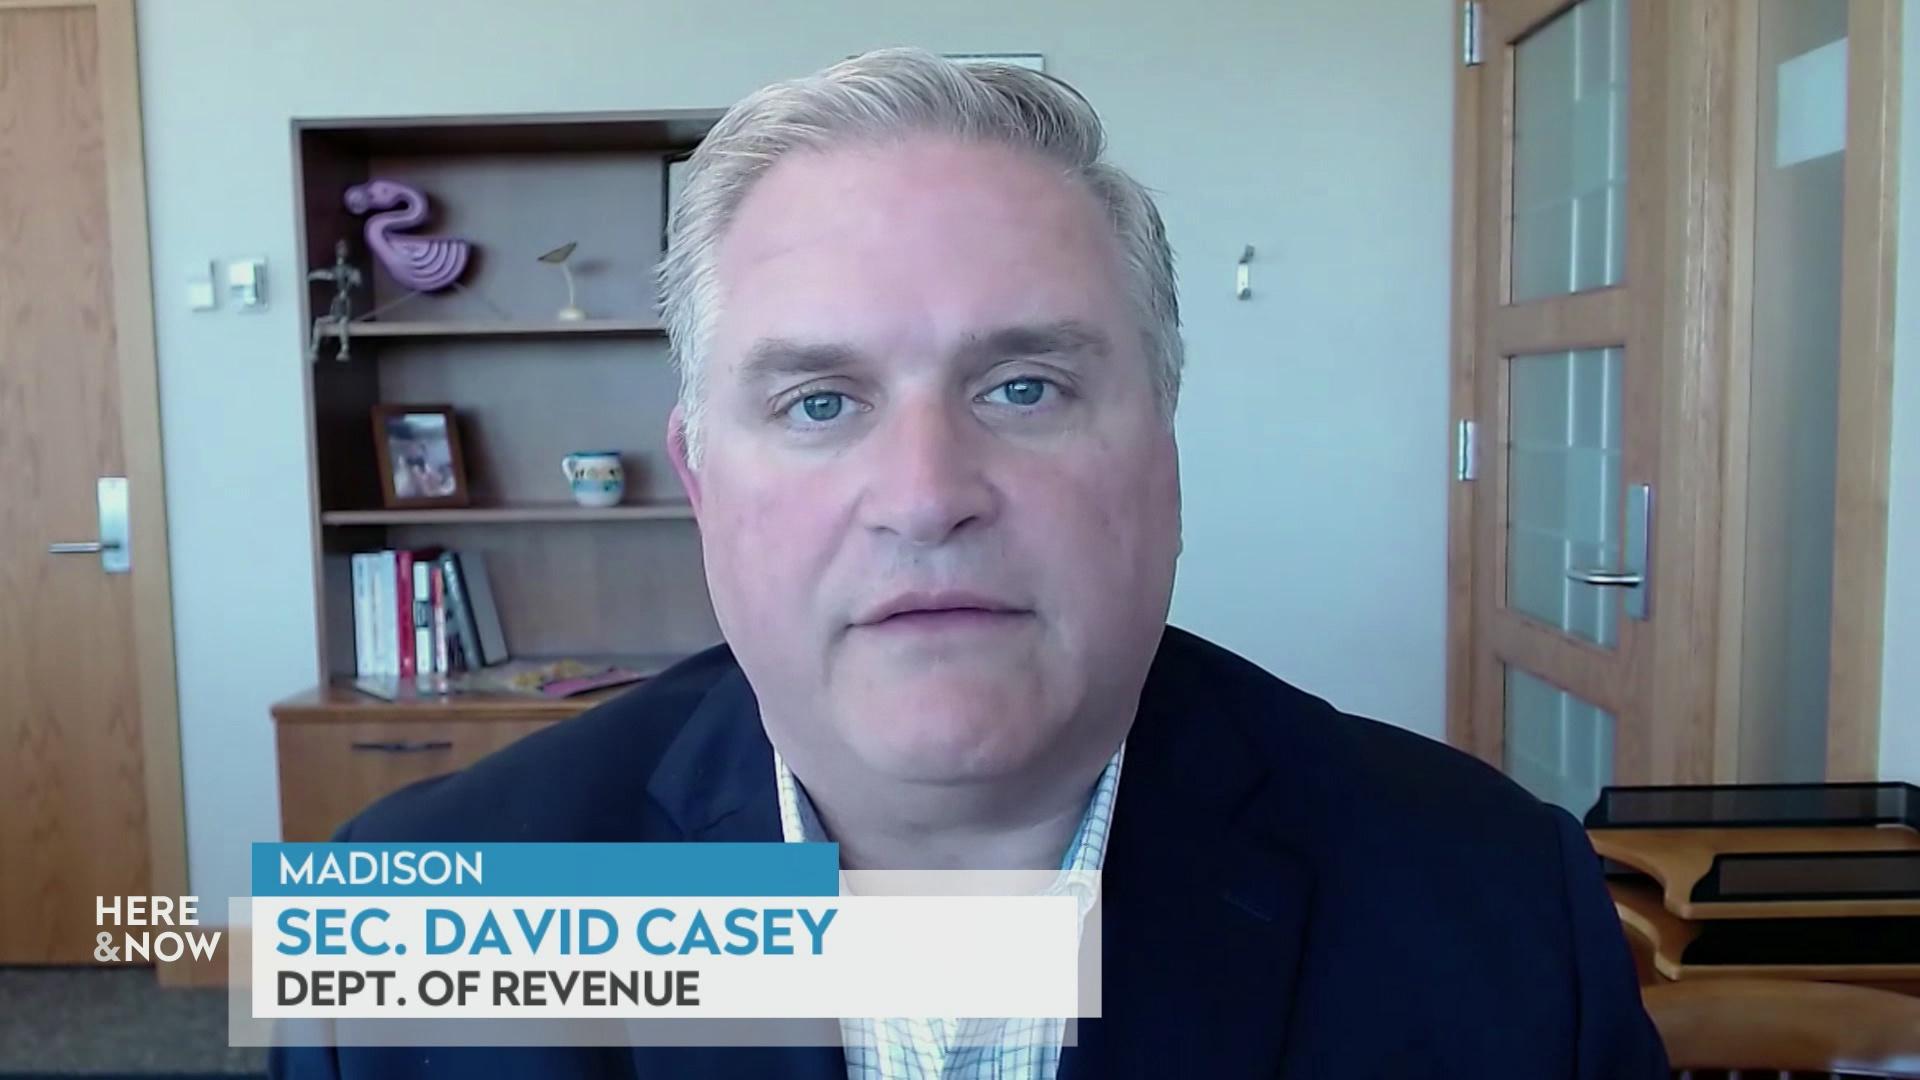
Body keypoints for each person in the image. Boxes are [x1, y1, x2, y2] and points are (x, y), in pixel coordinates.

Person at [273, 47, 1667, 1079]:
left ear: (1162, 460)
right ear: (702, 482)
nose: (927, 497)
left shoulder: (1497, 910)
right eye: (819, 404)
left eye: (1026, 388)